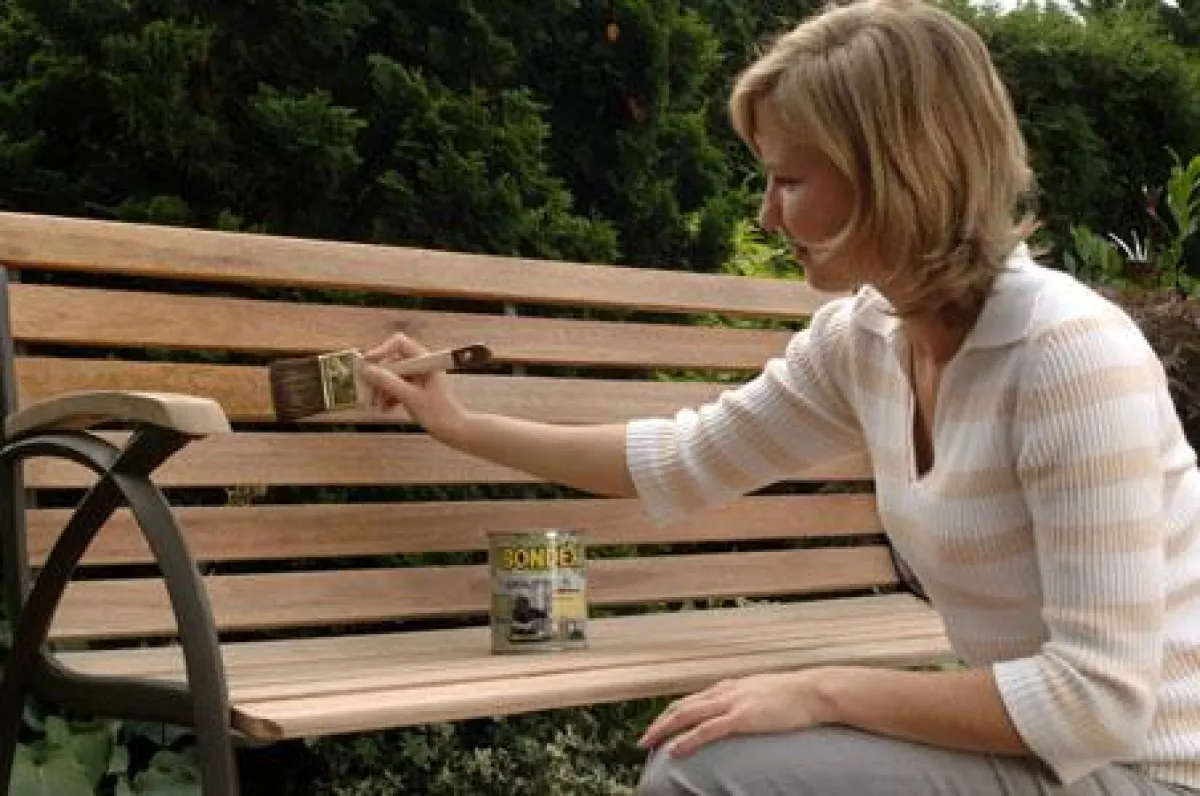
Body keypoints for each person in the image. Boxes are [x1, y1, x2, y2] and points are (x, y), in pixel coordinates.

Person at [358, 0, 1200, 792]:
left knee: (710, 774)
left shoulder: (1065, 355)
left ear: (896, 175)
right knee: (712, 758)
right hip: (1054, 761)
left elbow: (1097, 703)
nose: (765, 215)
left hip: (1148, 771)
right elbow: (681, 458)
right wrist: (459, 424)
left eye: (789, 180)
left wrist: (821, 690)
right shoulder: (867, 339)